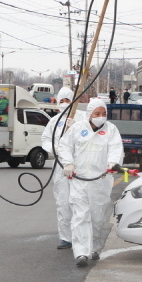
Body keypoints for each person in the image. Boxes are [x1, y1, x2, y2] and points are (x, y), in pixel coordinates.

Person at [58, 98, 123, 267]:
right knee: (80, 216)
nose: (101, 116)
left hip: (100, 181)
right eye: (97, 113)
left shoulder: (111, 130)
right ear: (89, 114)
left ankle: (94, 247)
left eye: (104, 114)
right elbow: (64, 146)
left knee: (97, 216)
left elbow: (116, 148)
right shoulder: (78, 128)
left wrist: (113, 162)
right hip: (79, 180)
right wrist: (68, 163)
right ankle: (81, 253)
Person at [41, 87, 76, 250]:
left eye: (67, 100)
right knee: (62, 201)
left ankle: (80, 235)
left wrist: (76, 126)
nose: (64, 104)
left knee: (79, 201)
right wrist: (54, 148)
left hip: (78, 167)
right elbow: (45, 139)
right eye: (61, 101)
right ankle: (65, 237)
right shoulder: (53, 122)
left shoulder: (80, 118)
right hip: (60, 166)